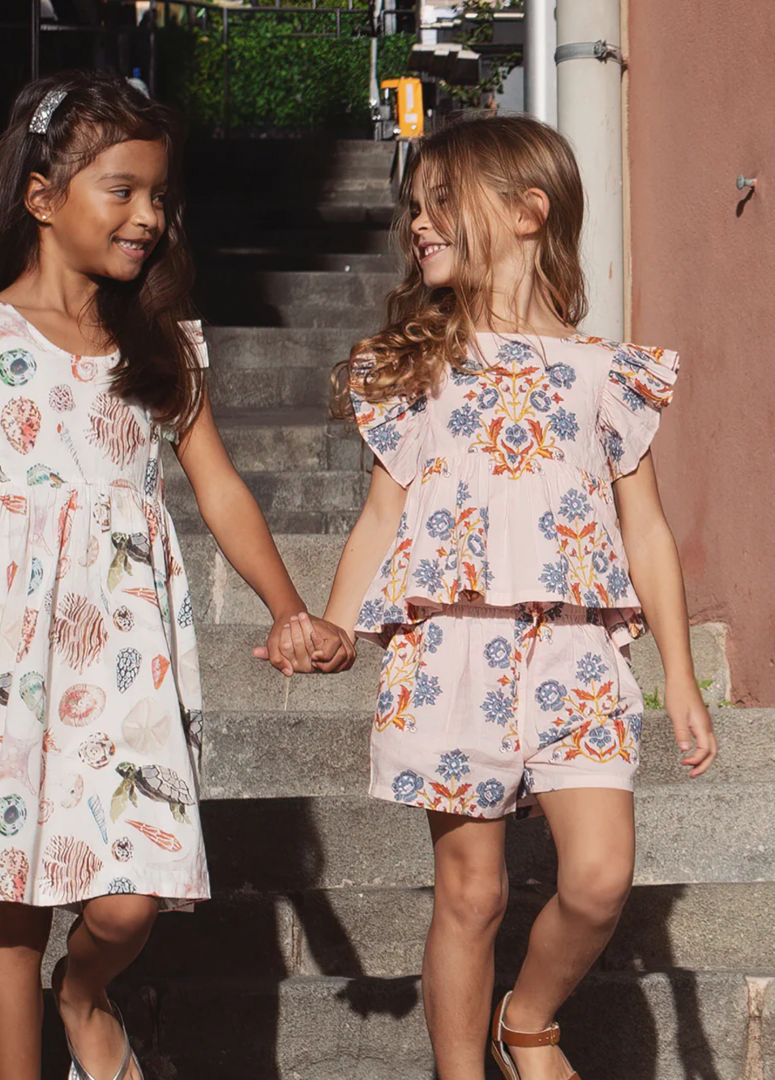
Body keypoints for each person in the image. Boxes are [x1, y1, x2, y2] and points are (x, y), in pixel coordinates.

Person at [0, 70, 350, 1080]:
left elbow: (222, 490)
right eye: (123, 190)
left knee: (127, 898)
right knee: (12, 902)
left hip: (121, 648)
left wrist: (291, 607)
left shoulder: (159, 347)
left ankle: (84, 990)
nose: (149, 216)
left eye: (160, 196)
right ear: (40, 196)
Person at [293, 114, 718, 1080]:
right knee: (473, 895)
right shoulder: (415, 365)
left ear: (531, 213)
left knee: (602, 877)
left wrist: (681, 679)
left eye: (443, 201)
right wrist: (336, 625)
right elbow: (379, 519)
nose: (420, 223)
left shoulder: (606, 372)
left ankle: (526, 1021)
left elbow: (645, 530)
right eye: (414, 207)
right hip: (452, 651)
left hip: (578, 652)